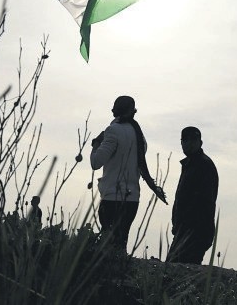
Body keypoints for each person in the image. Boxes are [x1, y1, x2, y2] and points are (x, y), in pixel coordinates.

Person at [90, 95, 167, 250]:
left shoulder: (112, 131)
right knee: (120, 243)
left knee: (108, 245)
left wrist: (96, 144)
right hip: (132, 199)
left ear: (114, 110)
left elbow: (96, 162)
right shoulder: (138, 134)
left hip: (112, 198)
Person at [166, 126, 219, 264]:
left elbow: (204, 202)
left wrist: (187, 228)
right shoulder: (191, 164)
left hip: (195, 232)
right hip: (185, 231)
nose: (189, 143)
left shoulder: (203, 165)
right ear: (181, 143)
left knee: (179, 272)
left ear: (200, 143)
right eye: (186, 140)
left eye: (193, 140)